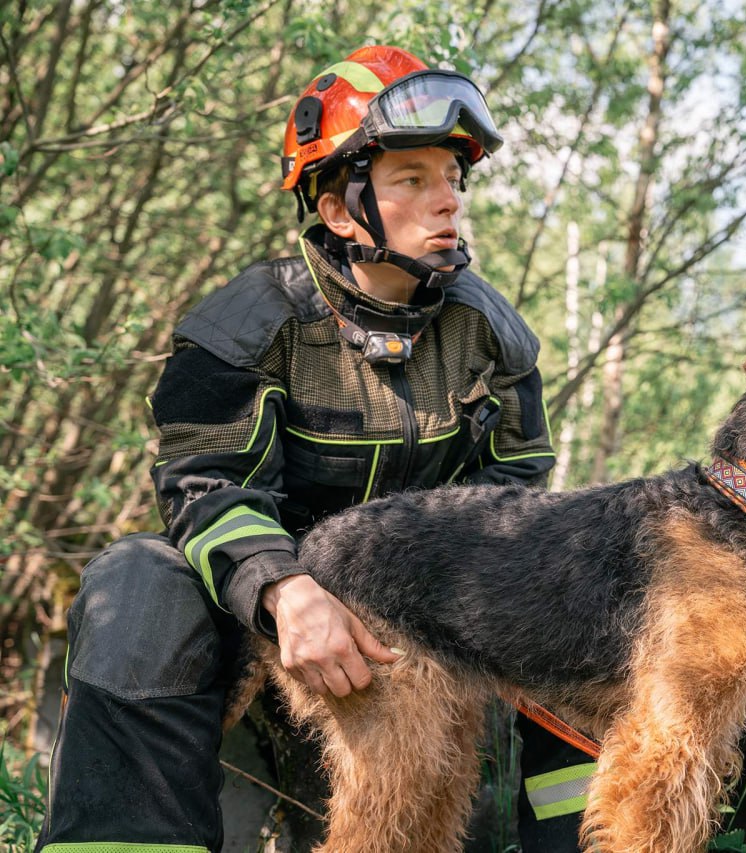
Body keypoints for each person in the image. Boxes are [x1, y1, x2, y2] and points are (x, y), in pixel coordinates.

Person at [37, 45, 594, 852]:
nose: (449, 202)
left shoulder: (490, 333)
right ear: (341, 210)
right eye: (414, 179)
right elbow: (204, 483)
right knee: (136, 578)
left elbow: (515, 497)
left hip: (420, 604)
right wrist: (285, 588)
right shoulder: (248, 326)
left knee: (578, 582)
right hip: (261, 594)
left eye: (454, 178)